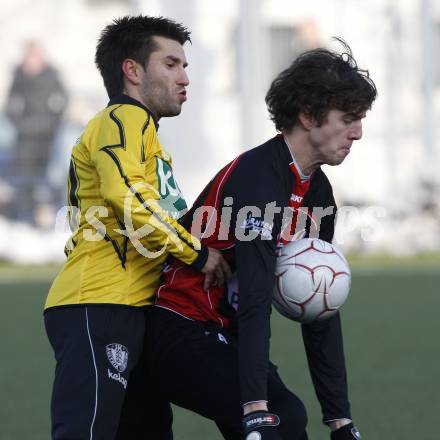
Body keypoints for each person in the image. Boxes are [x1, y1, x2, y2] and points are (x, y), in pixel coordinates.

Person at [145, 40, 377, 440]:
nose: (357, 132)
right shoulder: (257, 179)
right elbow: (254, 296)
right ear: (308, 115)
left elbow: (322, 305)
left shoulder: (318, 194)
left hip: (222, 332)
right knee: (279, 419)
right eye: (349, 118)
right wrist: (255, 408)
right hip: (176, 327)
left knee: (287, 420)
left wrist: (340, 418)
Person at [44, 15, 230, 440]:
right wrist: (198, 253)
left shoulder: (147, 134)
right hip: (99, 301)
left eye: (185, 66)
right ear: (132, 70)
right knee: (86, 432)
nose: (185, 78)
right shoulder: (124, 118)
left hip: (133, 308)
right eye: (171, 64)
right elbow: (125, 196)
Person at [5, 40, 68, 224]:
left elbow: (63, 99)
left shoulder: (51, 74)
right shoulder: (19, 75)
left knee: (48, 177)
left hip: (46, 133)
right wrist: (18, 122)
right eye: (29, 56)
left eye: (35, 56)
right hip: (24, 134)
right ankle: (25, 216)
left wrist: (54, 120)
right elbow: (10, 102)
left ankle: (48, 217)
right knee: (24, 176)